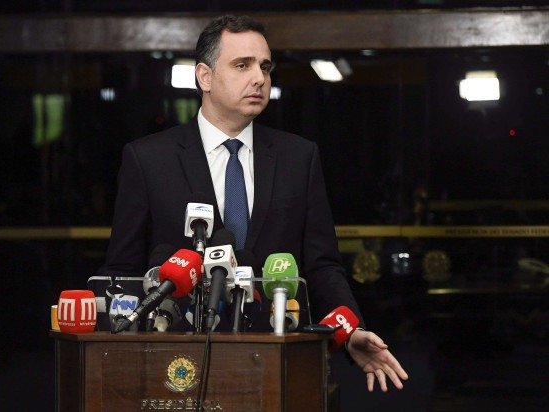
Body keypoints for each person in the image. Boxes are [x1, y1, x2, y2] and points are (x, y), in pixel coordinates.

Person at [98, 14, 408, 392]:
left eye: (265, 66)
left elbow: (322, 265)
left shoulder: (299, 157)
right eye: (242, 65)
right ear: (205, 77)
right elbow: (123, 272)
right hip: (177, 365)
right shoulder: (148, 159)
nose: (259, 78)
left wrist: (351, 331)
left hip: (278, 361)